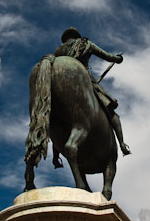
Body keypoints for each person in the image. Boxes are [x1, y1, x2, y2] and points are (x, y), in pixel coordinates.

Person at [53, 27, 131, 156]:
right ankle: (122, 144)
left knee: (56, 116)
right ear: (77, 36)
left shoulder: (58, 51)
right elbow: (107, 56)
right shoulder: (85, 43)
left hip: (60, 85)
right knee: (112, 113)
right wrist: (118, 59)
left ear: (65, 38)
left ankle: (56, 156)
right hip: (85, 80)